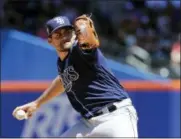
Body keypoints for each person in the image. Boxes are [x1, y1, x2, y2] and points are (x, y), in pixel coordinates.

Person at [12, 15, 138, 137]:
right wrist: (37, 103)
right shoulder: (62, 63)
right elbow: (63, 80)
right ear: (50, 40)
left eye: (67, 32)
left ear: (74, 33)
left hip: (116, 117)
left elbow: (89, 46)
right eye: (58, 34)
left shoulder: (81, 51)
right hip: (88, 123)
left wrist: (86, 37)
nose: (64, 37)